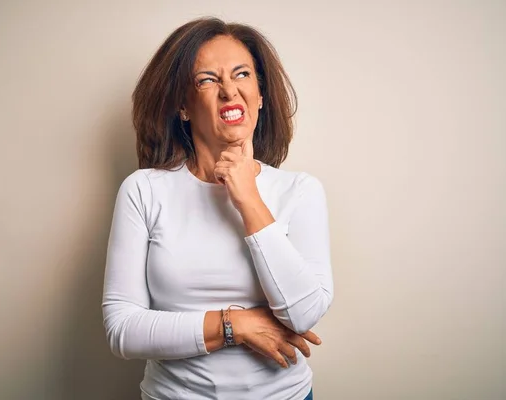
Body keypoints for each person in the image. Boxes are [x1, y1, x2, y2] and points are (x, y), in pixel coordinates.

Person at [102, 17, 334, 400]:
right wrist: (235, 324)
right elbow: (123, 330)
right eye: (207, 79)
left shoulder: (301, 191)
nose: (230, 90)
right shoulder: (143, 191)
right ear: (183, 106)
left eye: (242, 74)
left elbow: (304, 314)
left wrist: (248, 199)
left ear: (260, 95)